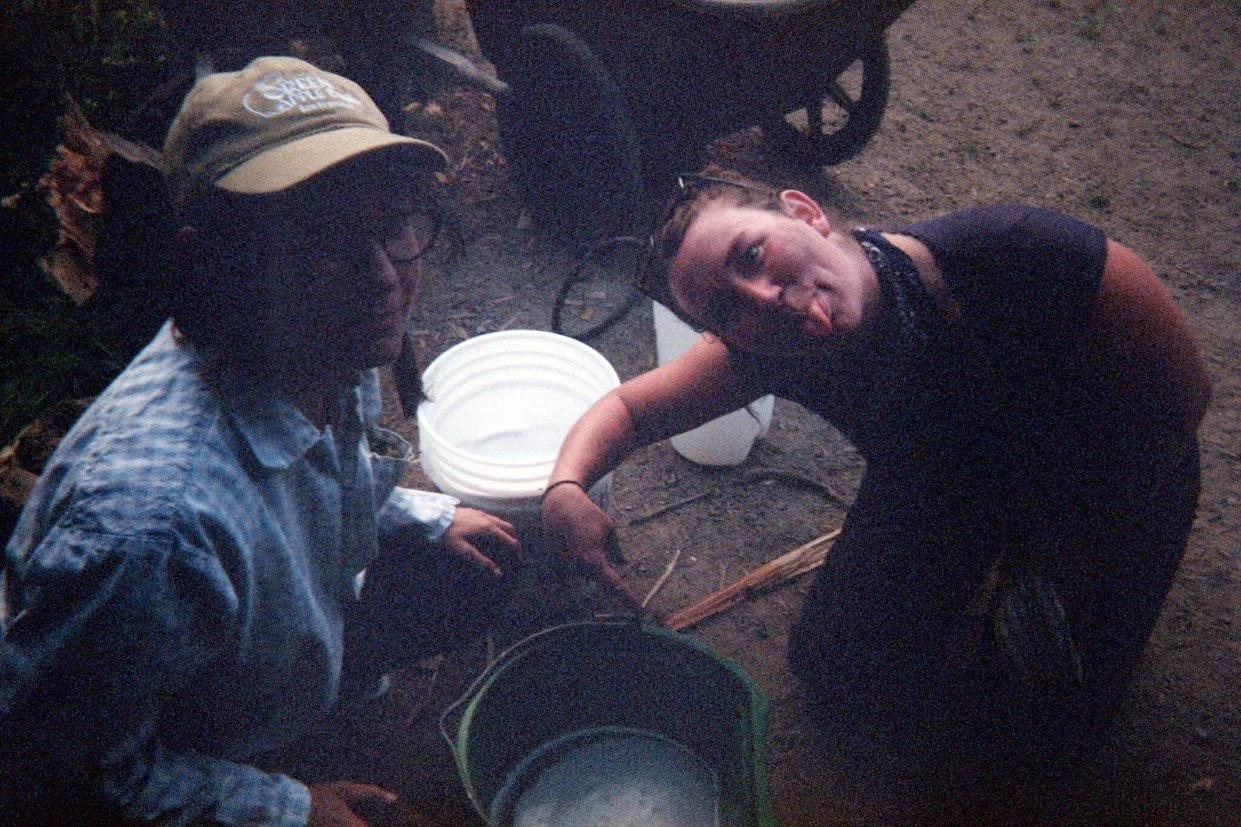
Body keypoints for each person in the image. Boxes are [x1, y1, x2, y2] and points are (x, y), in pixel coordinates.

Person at [541, 167, 1210, 796]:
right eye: (725, 308)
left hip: (1112, 483)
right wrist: (566, 488)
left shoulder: (1019, 250)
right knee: (837, 671)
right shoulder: (766, 349)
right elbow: (629, 410)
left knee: (1043, 733)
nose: (762, 298)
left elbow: (1182, 399)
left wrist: (1063, 545)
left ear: (804, 212)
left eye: (752, 254)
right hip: (940, 485)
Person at [1, 57, 520, 825]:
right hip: (144, 739)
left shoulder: (320, 341)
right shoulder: (152, 536)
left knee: (480, 567)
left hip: (248, 655)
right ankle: (251, 767)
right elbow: (58, 771)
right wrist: (289, 807)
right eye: (322, 241)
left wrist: (427, 516)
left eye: (390, 226)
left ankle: (302, 725)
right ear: (210, 260)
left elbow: (320, 472)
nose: (382, 276)